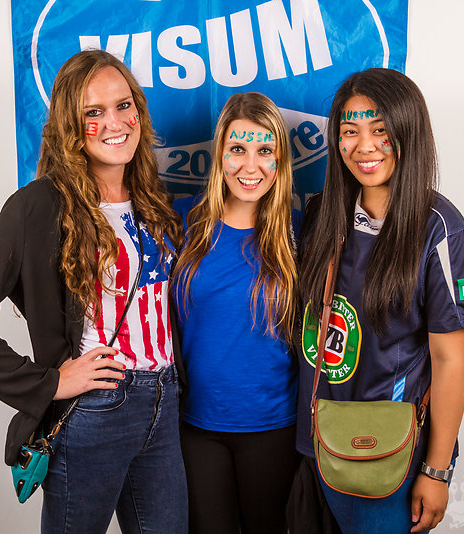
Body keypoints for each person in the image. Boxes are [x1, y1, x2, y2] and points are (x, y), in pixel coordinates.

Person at [0, 50, 187, 534]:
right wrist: (47, 384)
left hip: (165, 402)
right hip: (98, 408)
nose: (115, 122)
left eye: (124, 105)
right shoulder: (39, 205)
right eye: (94, 112)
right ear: (71, 125)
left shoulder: (154, 199)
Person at [296, 68, 464, 533]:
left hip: (387, 455)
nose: (364, 146)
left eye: (380, 130)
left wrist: (437, 471)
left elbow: (450, 361)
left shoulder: (441, 230)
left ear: (409, 131)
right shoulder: (321, 213)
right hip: (314, 443)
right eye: (350, 131)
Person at [171, 92, 300, 534]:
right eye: (238, 149)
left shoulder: (299, 232)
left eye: (265, 151)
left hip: (274, 425)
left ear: (280, 161)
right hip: (196, 424)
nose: (250, 166)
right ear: (220, 155)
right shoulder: (182, 222)